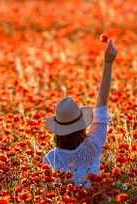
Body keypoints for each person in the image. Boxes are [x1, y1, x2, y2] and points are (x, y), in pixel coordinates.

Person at [43, 39, 118, 188]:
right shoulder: (94, 144)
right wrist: (108, 63)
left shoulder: (52, 159)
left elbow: (51, 191)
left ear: (57, 131)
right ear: (82, 124)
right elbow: (102, 102)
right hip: (95, 201)